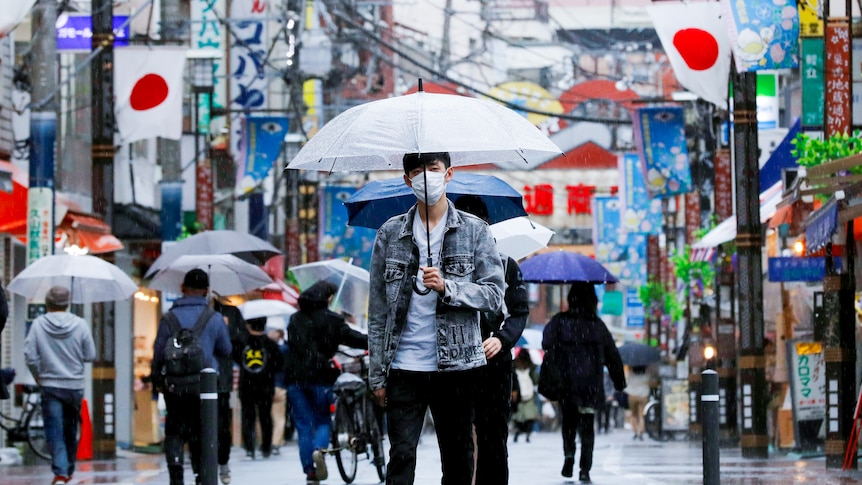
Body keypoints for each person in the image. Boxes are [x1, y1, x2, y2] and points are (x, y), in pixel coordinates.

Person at [368, 152, 505, 485]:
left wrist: (449, 287)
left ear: (448, 174)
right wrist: (376, 375)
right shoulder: (390, 233)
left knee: (458, 459)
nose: (425, 178)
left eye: (432, 169)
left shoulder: (476, 232)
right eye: (416, 172)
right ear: (406, 180)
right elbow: (377, 312)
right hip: (403, 366)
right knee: (400, 456)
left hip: (457, 368)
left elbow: (494, 296)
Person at [453, 194, 529, 485]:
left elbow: (519, 312)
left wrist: (501, 339)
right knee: (457, 436)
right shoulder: (443, 265)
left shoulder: (506, 264)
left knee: (493, 435)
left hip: (493, 361)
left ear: (488, 226)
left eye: (479, 224)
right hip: (454, 360)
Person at [152, 269, 232, 485]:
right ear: (206, 291)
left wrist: (157, 382)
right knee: (202, 430)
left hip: (175, 385)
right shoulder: (213, 317)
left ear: (182, 288)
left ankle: (176, 470)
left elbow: (159, 352)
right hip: (204, 386)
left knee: (175, 429)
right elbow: (226, 349)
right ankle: (200, 472)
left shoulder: (169, 318)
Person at [284, 280, 368, 483]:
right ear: (329, 298)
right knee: (323, 420)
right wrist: (372, 341)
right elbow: (352, 338)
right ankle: (319, 450)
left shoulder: (295, 319)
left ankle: (310, 472)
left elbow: (295, 346)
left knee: (304, 426)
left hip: (295, 379)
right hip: (322, 378)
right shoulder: (333, 320)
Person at [542, 282, 626, 484]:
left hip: (566, 384)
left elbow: (546, 343)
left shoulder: (559, 322)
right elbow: (612, 355)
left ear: (571, 299)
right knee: (588, 427)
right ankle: (584, 469)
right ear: (593, 301)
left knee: (568, 423)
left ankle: (569, 454)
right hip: (590, 385)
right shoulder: (598, 326)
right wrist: (619, 382)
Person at [24, 285, 95, 485]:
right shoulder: (80, 324)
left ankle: (61, 472)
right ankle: (67, 470)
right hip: (74, 386)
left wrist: (39, 375)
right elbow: (90, 354)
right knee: (70, 430)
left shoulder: (38, 325)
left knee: (54, 430)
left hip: (50, 385)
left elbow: (30, 355)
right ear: (67, 303)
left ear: (48, 303)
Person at [233, 316, 282, 460]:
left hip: (246, 385)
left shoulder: (241, 342)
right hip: (266, 385)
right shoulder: (271, 344)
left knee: (248, 416)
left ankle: (249, 448)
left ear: (249, 325)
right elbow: (279, 364)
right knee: (265, 416)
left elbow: (235, 357)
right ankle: (266, 447)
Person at [213, 297, 248, 484]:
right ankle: (202, 466)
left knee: (220, 424)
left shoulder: (229, 313)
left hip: (219, 379)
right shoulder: (183, 313)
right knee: (199, 424)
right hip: (200, 378)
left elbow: (239, 344)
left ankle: (222, 462)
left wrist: (227, 332)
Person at [269, 326, 291, 452]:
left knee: (273, 416)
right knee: (279, 417)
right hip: (280, 385)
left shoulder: (273, 349)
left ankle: (273, 441)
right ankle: (276, 442)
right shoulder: (285, 349)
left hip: (272, 385)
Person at [511, 349, 539, 444]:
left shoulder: (529, 369)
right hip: (521, 396)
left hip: (524, 396)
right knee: (524, 418)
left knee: (524, 418)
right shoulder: (530, 368)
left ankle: (522, 432)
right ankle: (523, 433)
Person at [626, 365, 651, 441]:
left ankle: (635, 431)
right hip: (643, 395)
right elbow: (649, 382)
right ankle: (641, 431)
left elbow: (626, 383)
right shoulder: (646, 374)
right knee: (641, 414)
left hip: (632, 396)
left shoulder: (630, 374)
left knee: (634, 414)